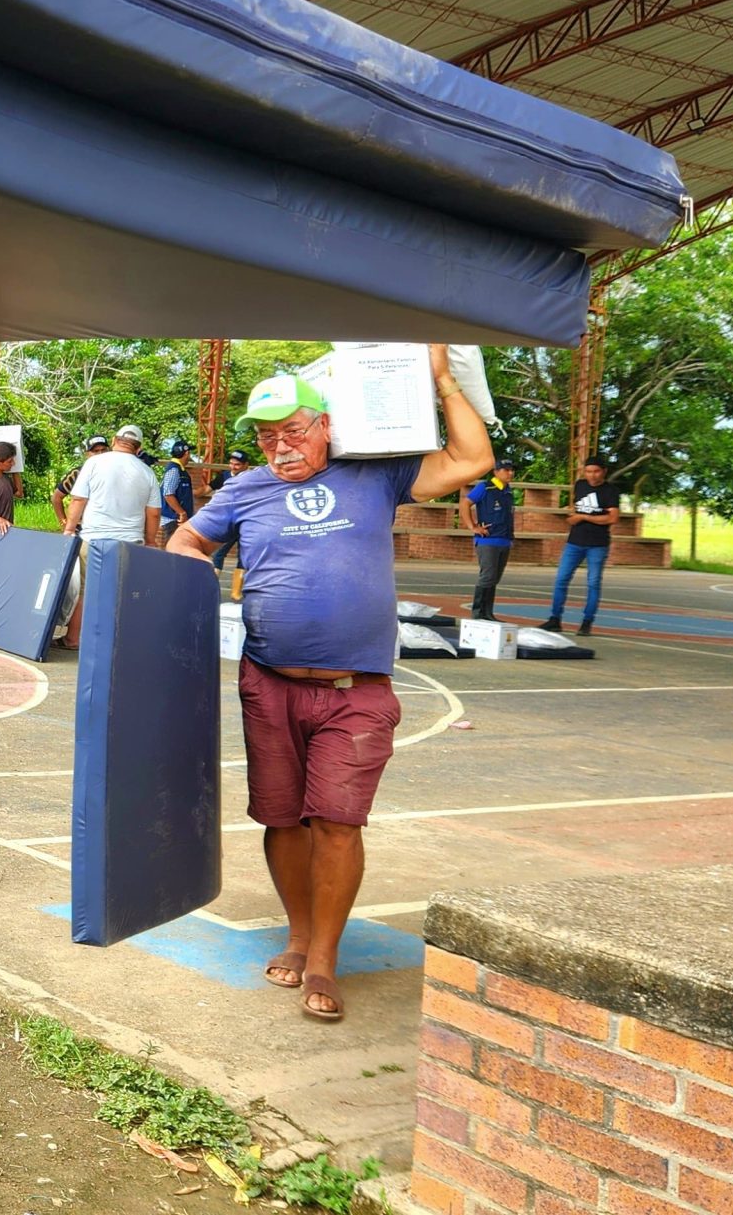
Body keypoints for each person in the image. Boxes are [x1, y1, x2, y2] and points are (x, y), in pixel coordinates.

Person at [167, 352, 491, 1022]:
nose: (280, 445)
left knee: (337, 820)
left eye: (293, 429)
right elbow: (185, 541)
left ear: (328, 426)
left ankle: (324, 958)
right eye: (266, 435)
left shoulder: (375, 476)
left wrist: (442, 379)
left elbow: (471, 459)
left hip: (357, 689)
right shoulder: (245, 489)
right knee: (283, 818)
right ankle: (297, 931)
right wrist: (196, 575)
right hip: (269, 680)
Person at [57, 427, 159, 648]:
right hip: (130, 543)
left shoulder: (94, 464)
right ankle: (119, 642)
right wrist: (150, 541)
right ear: (138, 448)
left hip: (94, 538)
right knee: (123, 591)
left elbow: (77, 499)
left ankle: (74, 638)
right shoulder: (147, 472)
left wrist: (69, 529)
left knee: (85, 590)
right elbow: (153, 512)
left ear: (115, 441)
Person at [542, 457, 619, 635]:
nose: (592, 475)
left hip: (597, 544)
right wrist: (572, 516)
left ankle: (587, 622)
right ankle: (555, 619)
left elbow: (612, 518)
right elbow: (575, 507)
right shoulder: (580, 485)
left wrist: (584, 517)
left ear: (604, 471)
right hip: (574, 542)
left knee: (593, 583)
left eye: (596, 471)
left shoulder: (610, 491)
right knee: (561, 579)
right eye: (589, 471)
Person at [463, 457, 518, 620]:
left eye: (511, 470)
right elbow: (466, 503)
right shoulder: (485, 487)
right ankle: (478, 612)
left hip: (504, 539)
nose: (510, 473)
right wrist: (473, 526)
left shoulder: (508, 491)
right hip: (488, 540)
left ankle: (488, 613)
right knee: (487, 575)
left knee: (494, 578)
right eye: (506, 470)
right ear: (496, 472)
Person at [54, 435, 107, 527]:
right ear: (87, 454)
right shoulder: (77, 474)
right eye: (95, 451)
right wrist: (64, 522)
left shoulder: (116, 472)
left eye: (103, 450)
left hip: (108, 526)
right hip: (82, 527)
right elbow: (56, 497)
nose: (100, 454)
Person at [209, 449, 248, 571]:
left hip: (245, 522)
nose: (233, 467)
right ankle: (213, 587)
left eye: (237, 464)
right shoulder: (224, 476)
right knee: (218, 553)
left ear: (246, 465)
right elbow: (208, 488)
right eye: (231, 463)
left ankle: (236, 590)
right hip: (227, 522)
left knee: (243, 558)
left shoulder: (252, 478)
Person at [158, 438, 196, 545]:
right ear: (187, 453)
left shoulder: (179, 470)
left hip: (176, 520)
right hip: (173, 520)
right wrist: (182, 512)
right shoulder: (174, 470)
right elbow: (168, 494)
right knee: (172, 552)